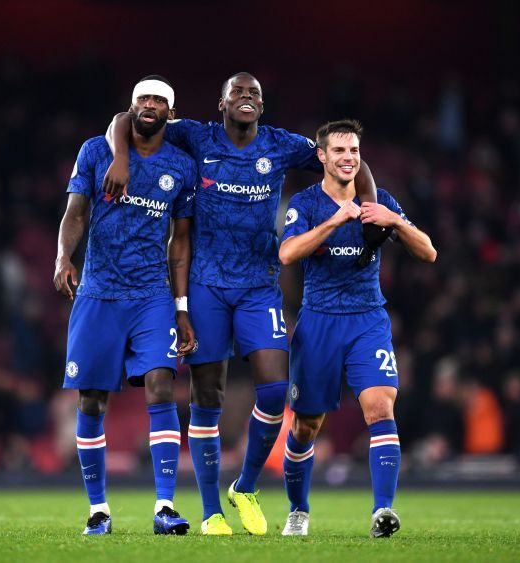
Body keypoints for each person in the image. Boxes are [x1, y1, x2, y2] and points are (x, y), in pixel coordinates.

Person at [103, 72, 384, 536]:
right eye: (238, 92)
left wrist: (371, 208)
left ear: (262, 105)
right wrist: (119, 155)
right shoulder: (196, 135)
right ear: (222, 103)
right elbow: (125, 118)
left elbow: (353, 162)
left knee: (275, 390)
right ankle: (212, 512)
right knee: (206, 398)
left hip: (259, 285)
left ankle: (247, 485)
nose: (247, 97)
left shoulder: (280, 144)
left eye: (254, 93)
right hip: (207, 286)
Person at [53, 75, 198, 536]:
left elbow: (181, 243)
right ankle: (98, 509)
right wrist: (62, 255)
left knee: (161, 384)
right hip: (98, 291)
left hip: (151, 295)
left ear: (169, 113)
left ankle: (164, 506)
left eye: (159, 100)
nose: (150, 105)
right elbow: (76, 212)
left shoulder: (182, 165)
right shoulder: (96, 151)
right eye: (143, 99)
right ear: (132, 106)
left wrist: (180, 305)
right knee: (91, 399)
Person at [278, 119, 436, 537]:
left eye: (354, 152)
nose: (348, 158)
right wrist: (333, 221)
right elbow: (288, 253)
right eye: (339, 151)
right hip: (319, 322)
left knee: (381, 407)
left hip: (368, 319)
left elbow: (429, 252)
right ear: (322, 157)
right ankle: (298, 510)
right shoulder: (306, 203)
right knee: (305, 426)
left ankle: (382, 511)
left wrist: (396, 222)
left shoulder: (380, 201)